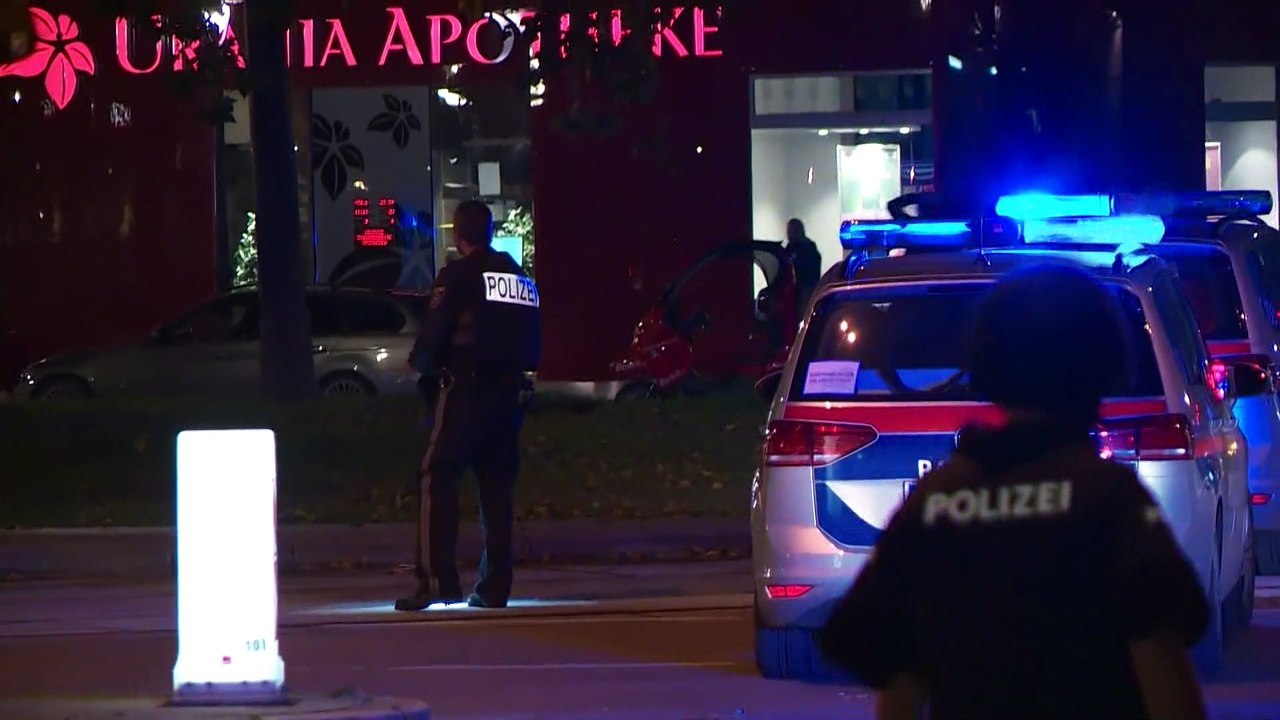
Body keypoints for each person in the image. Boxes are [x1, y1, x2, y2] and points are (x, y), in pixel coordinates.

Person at [819, 262, 1209, 720]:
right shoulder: (1107, 496)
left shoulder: (937, 501)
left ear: (989, 366)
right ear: (1100, 368)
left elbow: (898, 680)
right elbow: (1163, 669)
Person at [396, 200, 540, 612]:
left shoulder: (456, 276)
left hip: (465, 394)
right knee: (496, 491)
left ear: (459, 236)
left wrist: (420, 366)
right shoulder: (518, 277)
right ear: (491, 232)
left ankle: (437, 583)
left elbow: (435, 335)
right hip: (510, 398)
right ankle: (495, 587)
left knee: (436, 477)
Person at [785, 218, 822, 318]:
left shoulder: (808, 248)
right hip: (793, 291)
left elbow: (810, 271)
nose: (788, 234)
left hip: (806, 289)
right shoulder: (790, 248)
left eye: (790, 231)